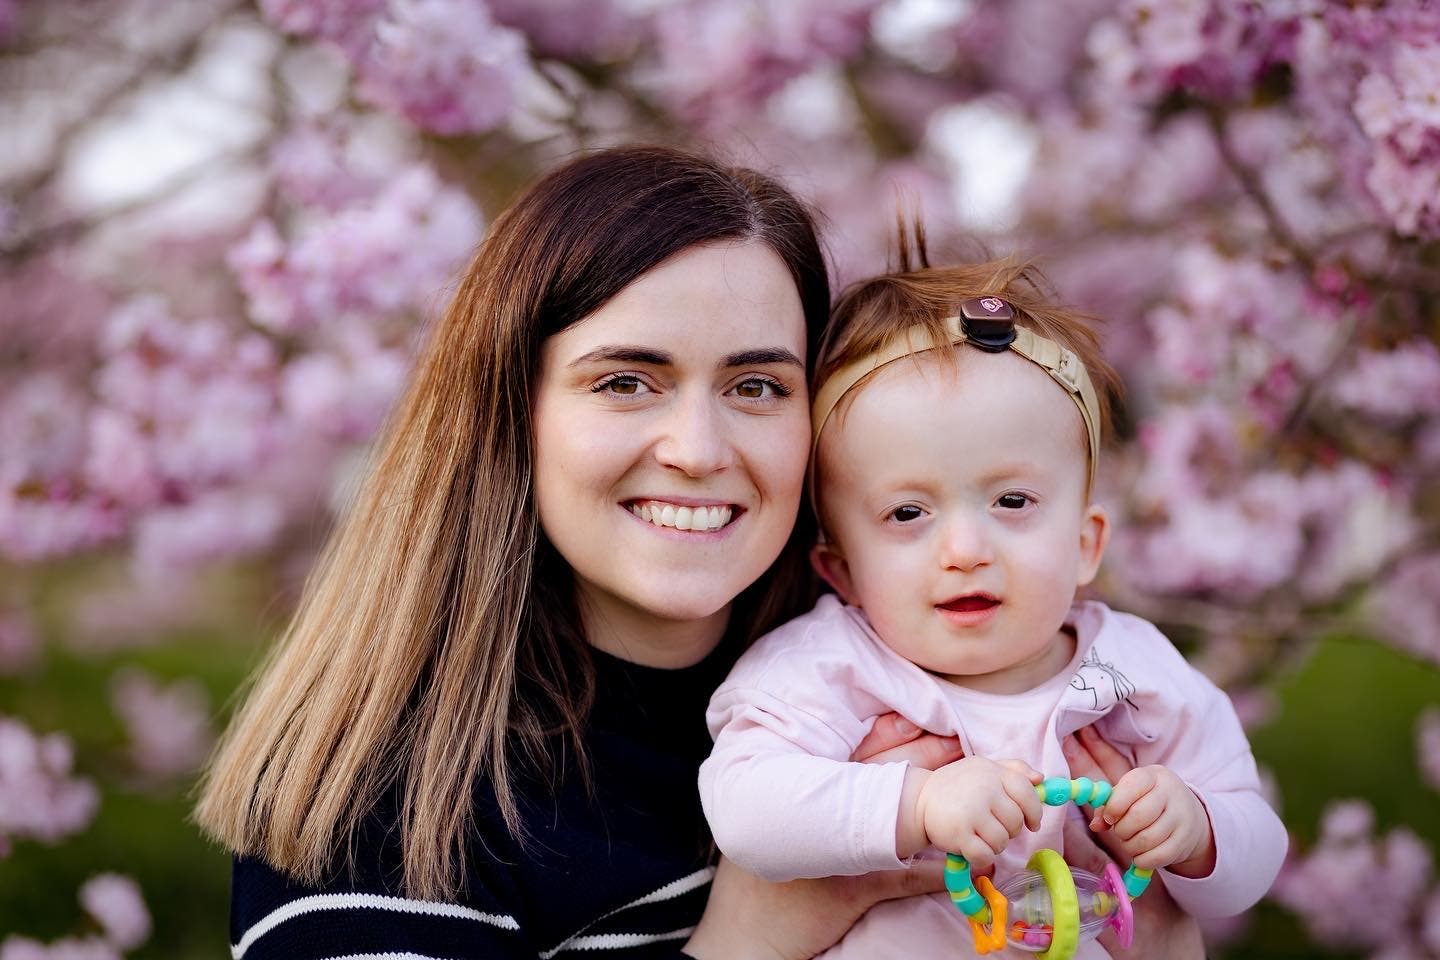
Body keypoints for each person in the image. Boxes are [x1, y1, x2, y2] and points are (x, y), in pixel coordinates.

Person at [195, 145, 1206, 960]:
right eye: (626, 382)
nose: (698, 449)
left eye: (757, 386)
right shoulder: (382, 806)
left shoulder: (895, 692)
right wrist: (748, 939)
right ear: (513, 414)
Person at [699, 233, 1288, 958]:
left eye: (1012, 500)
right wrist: (917, 805)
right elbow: (747, 810)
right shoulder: (829, 668)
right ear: (842, 571)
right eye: (907, 514)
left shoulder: (1137, 676)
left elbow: (1254, 856)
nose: (967, 550)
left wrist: (1197, 829)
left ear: (1085, 545)